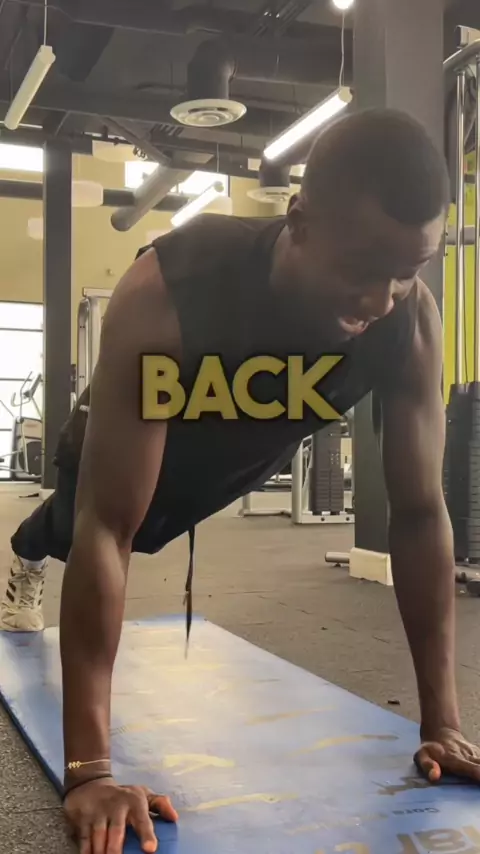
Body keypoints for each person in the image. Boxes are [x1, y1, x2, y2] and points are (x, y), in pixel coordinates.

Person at [2, 108, 480, 854]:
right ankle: (24, 555)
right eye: (361, 269)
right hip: (139, 439)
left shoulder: (409, 319)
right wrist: (90, 770)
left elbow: (420, 511)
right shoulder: (174, 286)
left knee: (149, 525)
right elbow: (108, 524)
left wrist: (443, 722)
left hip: (241, 454)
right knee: (75, 526)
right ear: (300, 222)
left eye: (408, 269)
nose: (380, 299)